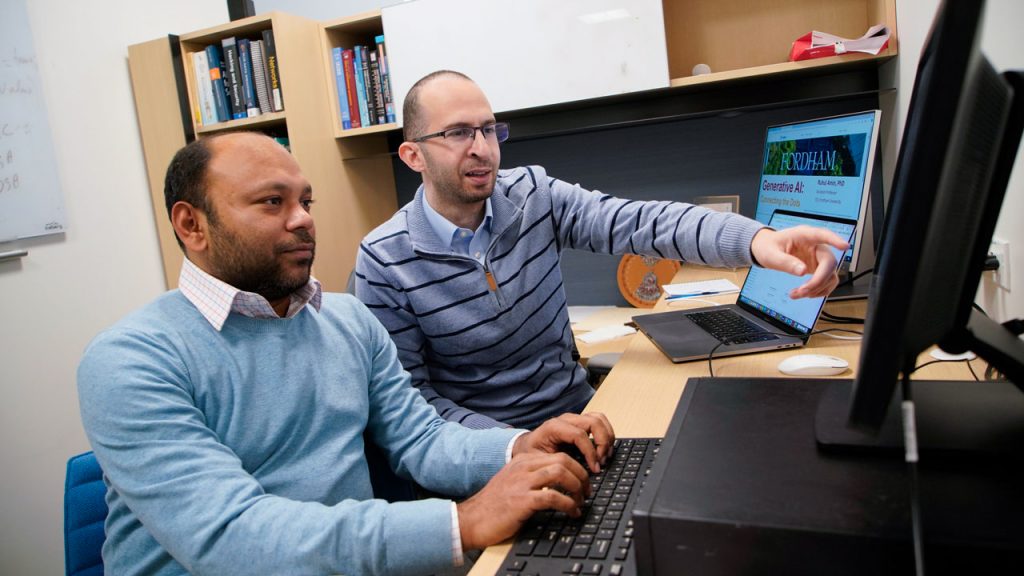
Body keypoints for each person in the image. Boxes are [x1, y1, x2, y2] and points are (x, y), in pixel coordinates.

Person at [76, 131, 616, 576]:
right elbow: (230, 538)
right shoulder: (131, 360)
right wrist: (462, 523)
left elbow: (419, 438)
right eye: (272, 202)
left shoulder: (346, 319)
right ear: (192, 224)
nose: (302, 219)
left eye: (305, 201)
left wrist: (516, 448)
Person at [355, 70, 849, 430]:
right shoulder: (384, 261)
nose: (482, 147)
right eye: (458, 133)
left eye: (489, 129)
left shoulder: (533, 196)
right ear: (412, 154)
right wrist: (514, 447)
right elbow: (410, 407)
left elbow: (641, 222)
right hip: (491, 457)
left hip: (582, 417)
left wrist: (759, 240)